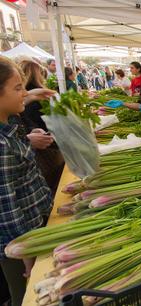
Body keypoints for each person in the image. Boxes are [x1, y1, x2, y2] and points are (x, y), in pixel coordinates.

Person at [0, 56, 53, 306]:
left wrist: (30, 95)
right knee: (27, 296)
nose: (24, 92)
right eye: (18, 87)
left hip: (33, 229)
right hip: (20, 246)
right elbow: (6, 209)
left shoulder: (9, 123)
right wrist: (26, 252)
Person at [17, 60, 65, 195]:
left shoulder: (25, 102)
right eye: (17, 88)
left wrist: (32, 130)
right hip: (46, 149)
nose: (24, 93)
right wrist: (27, 140)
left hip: (44, 146)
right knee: (53, 178)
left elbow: (25, 119)